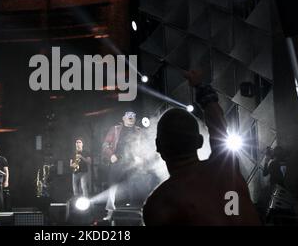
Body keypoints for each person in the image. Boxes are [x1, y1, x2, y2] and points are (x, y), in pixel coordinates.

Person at [142, 70, 261, 225]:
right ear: (199, 141)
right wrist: (200, 87)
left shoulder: (160, 204)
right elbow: (218, 124)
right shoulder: (226, 169)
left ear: (158, 146)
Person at [102, 111, 142, 220]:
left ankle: (139, 211)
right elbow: (105, 144)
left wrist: (140, 157)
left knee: (135, 185)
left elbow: (142, 145)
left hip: (132, 161)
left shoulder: (138, 130)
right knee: (112, 185)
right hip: (118, 160)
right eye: (129, 118)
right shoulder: (115, 129)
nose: (131, 120)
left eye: (133, 118)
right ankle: (110, 212)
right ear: (123, 118)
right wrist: (111, 155)